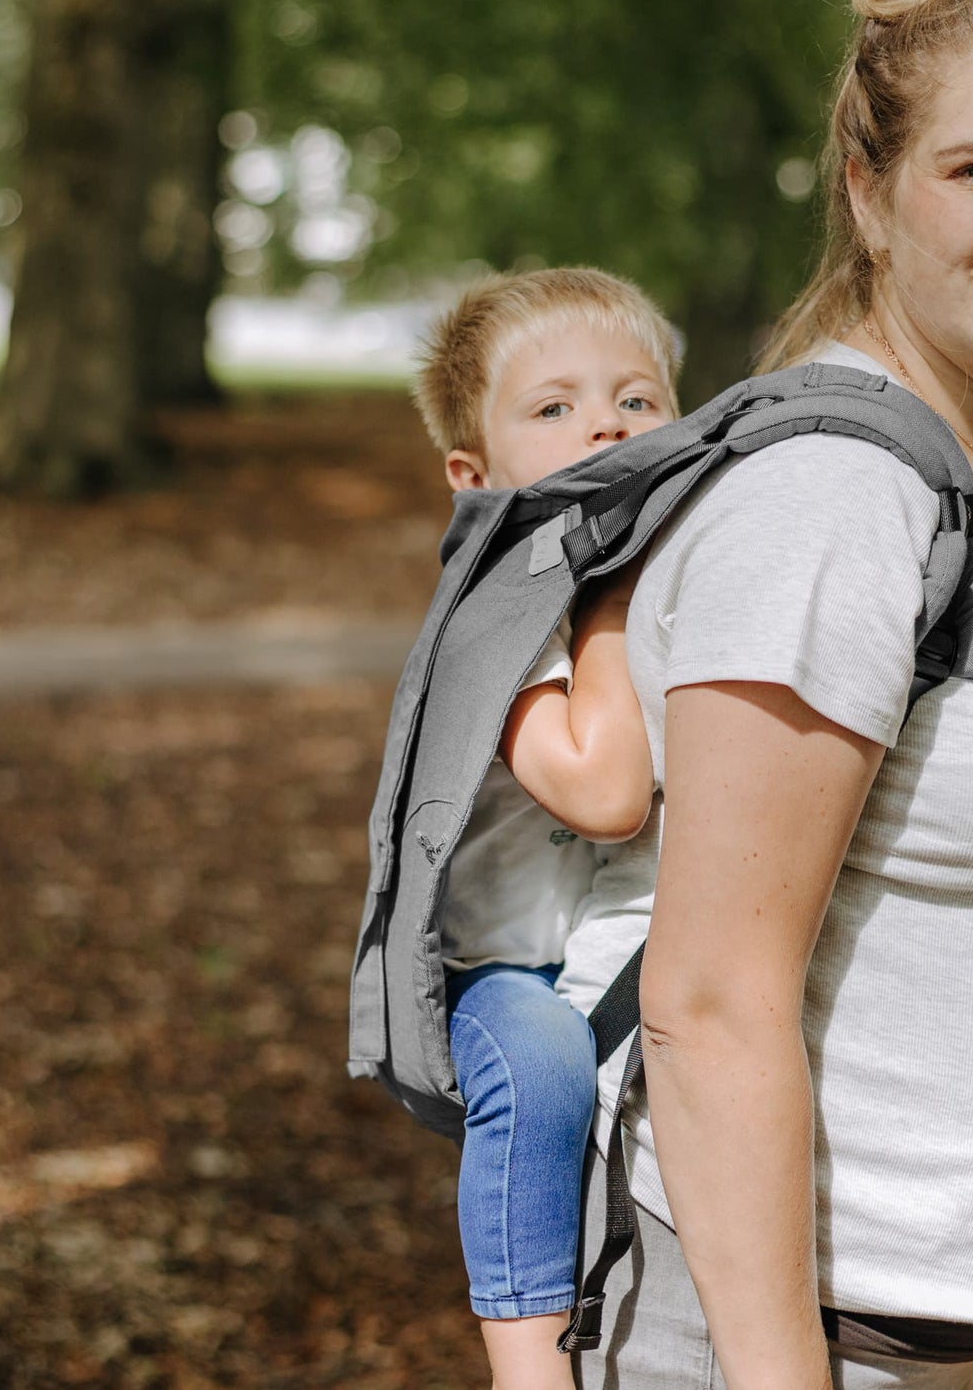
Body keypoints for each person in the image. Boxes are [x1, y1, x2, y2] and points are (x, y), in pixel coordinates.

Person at [555, 0, 973, 1387]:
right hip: (742, 1336)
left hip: (896, 1332)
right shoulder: (829, 506)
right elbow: (711, 998)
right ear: (868, 189)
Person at [412, 267, 680, 1389]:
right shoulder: (505, 607)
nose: (604, 421)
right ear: (474, 476)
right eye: (554, 407)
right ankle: (526, 1363)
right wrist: (608, 608)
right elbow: (600, 787)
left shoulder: (687, 568)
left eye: (636, 396)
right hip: (502, 962)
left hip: (613, 938)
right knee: (541, 1063)